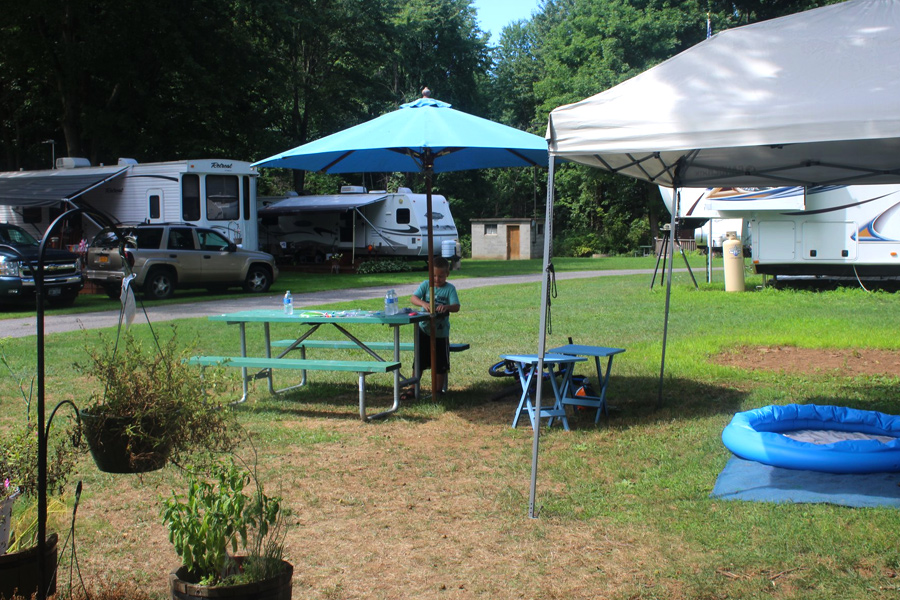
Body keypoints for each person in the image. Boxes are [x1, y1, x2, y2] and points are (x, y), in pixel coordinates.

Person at [409, 256, 460, 396]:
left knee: (440, 363)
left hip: (441, 332)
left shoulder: (450, 289)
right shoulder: (426, 285)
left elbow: (456, 307)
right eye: (434, 276)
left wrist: (446, 307)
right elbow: (413, 298)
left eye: (441, 276)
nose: (437, 279)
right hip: (423, 329)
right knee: (419, 360)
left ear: (447, 275)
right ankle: (413, 388)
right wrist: (423, 304)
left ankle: (438, 390)